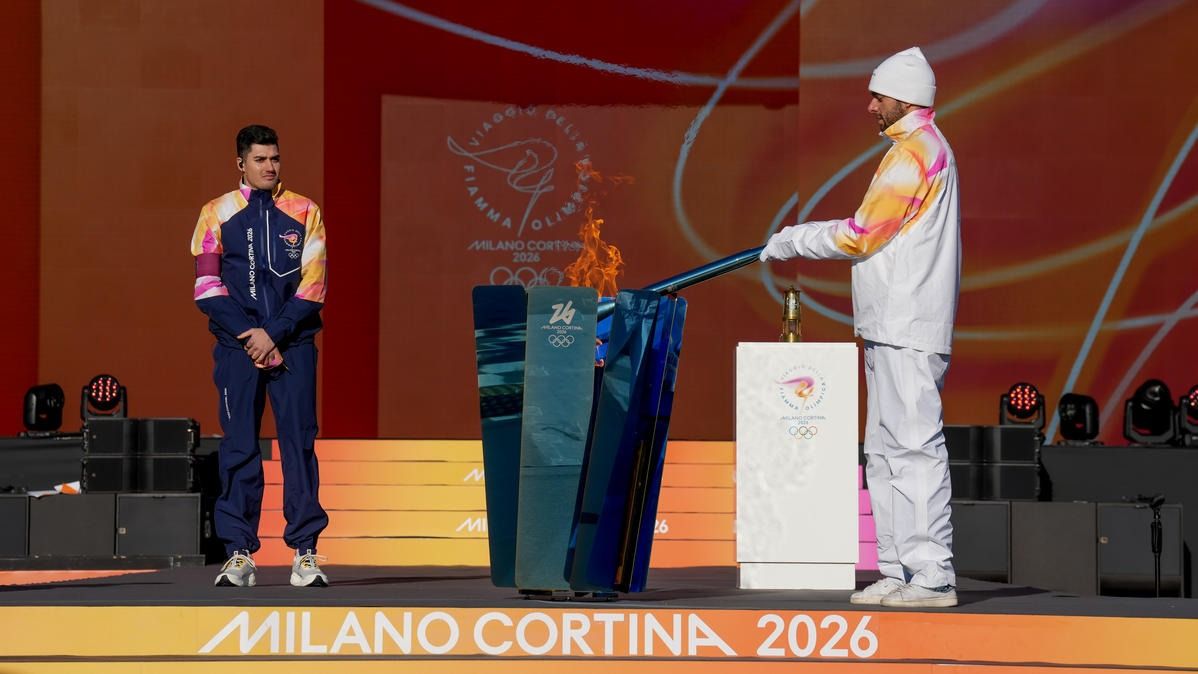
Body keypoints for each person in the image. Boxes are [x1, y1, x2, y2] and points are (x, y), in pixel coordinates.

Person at [760, 47, 960, 608]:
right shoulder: (913, 149)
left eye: (879, 97)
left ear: (905, 98)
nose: (871, 106)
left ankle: (933, 574)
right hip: (890, 322)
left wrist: (793, 240)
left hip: (907, 321)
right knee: (885, 450)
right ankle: (898, 568)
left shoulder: (916, 152)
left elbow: (861, 234)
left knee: (913, 445)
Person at [190, 124, 330, 587]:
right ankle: (238, 553)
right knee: (238, 446)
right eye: (260, 160)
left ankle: (305, 552)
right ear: (241, 164)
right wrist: (250, 334)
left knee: (298, 444)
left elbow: (313, 286)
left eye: (275, 158)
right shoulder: (216, 213)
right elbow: (206, 286)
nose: (270, 167)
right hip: (238, 348)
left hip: (293, 346)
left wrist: (273, 333)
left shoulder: (305, 210)